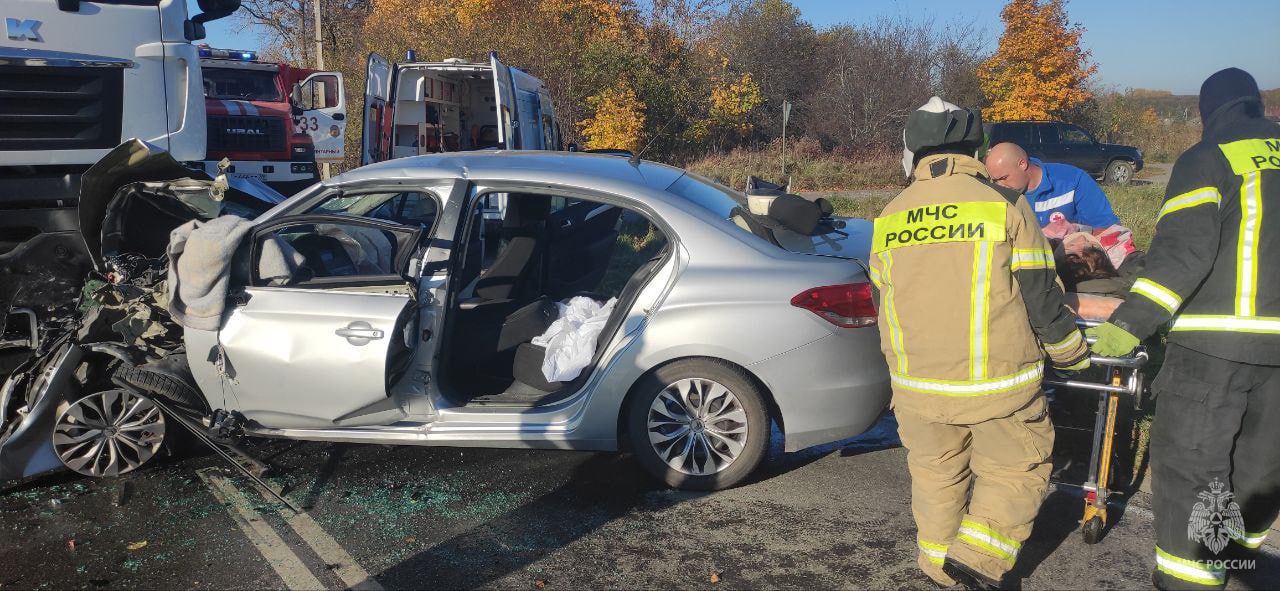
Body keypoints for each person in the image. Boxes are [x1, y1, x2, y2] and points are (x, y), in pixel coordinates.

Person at [872, 97, 1090, 590]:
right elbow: (1040, 293)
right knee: (1017, 468)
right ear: (977, 146)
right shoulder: (1005, 206)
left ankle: (937, 570)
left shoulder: (889, 215)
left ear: (913, 150)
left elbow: (881, 300)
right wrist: (1071, 353)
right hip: (998, 385)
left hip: (916, 389)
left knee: (936, 477)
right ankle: (977, 562)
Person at [1088, 68, 1280, 590]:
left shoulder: (1210, 156)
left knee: (1194, 467)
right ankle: (1238, 559)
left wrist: (1131, 324)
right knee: (1263, 465)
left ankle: (1189, 578)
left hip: (1215, 348)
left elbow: (1183, 255)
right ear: (1257, 103)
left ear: (1207, 112)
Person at [985, 142, 1121, 228]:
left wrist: (1073, 234)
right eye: (995, 180)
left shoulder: (1073, 180)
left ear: (1022, 164)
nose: (1000, 186)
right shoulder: (995, 193)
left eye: (1004, 178)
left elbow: (1107, 227)